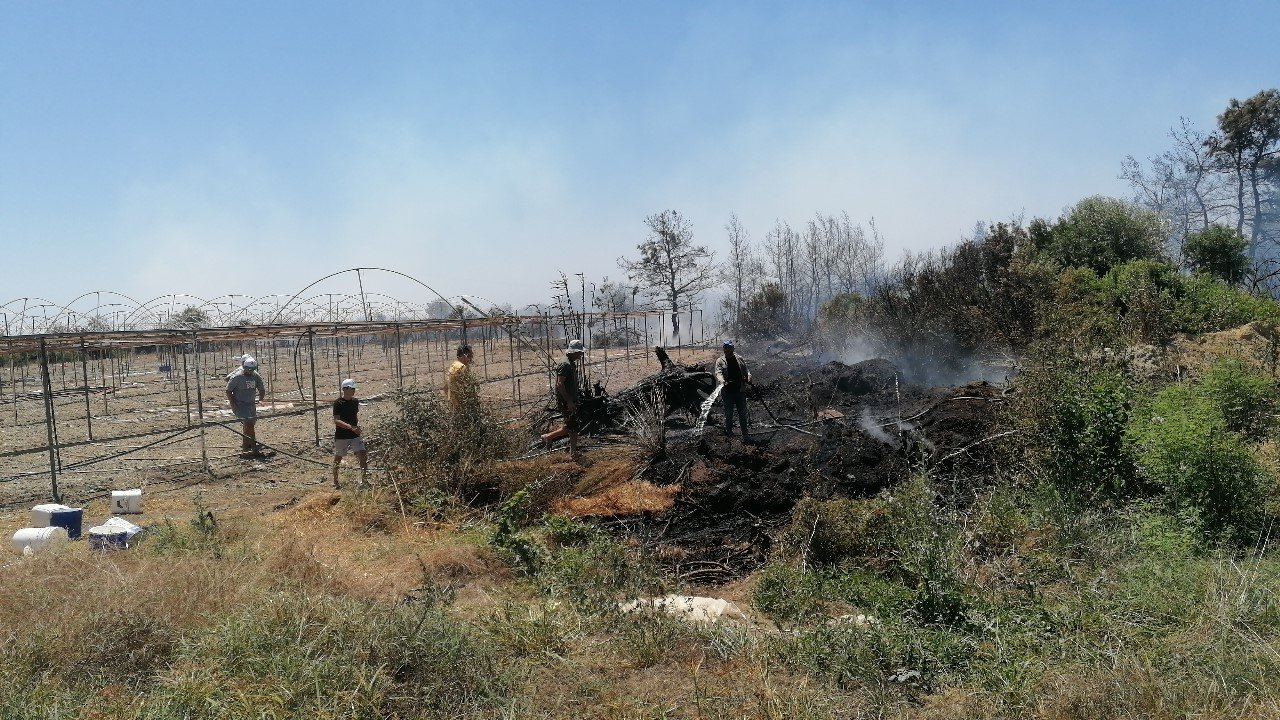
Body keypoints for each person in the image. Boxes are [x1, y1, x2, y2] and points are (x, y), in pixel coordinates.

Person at [540, 339, 585, 457]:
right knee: (573, 427)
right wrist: (569, 401)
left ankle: (548, 437)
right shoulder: (565, 364)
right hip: (566, 400)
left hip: (570, 399)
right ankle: (573, 453)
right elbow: (559, 384)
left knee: (570, 425)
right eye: (579, 352)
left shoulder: (570, 362)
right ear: (573, 352)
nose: (581, 354)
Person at [226, 357, 266, 455]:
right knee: (249, 424)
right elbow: (228, 390)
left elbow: (261, 389)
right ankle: (254, 447)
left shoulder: (255, 376)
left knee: (248, 426)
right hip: (240, 404)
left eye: (253, 370)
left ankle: (245, 448)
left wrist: (260, 399)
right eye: (249, 369)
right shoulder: (237, 377)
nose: (250, 372)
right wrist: (233, 403)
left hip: (251, 404)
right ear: (244, 367)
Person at [332, 378, 368, 489]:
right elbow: (336, 420)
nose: (354, 391)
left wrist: (356, 427)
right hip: (342, 435)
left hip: (354, 435)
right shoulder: (338, 403)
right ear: (345, 389)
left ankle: (364, 480)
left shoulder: (355, 402)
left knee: (362, 454)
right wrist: (350, 427)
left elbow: (354, 417)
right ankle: (336, 480)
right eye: (352, 388)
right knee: (338, 457)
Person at [714, 339, 751, 437]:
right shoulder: (720, 361)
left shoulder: (739, 359)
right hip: (728, 393)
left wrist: (748, 377)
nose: (727, 349)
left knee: (743, 414)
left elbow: (746, 370)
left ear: (733, 348)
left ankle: (745, 435)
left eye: (729, 347)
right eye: (725, 348)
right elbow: (718, 373)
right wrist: (722, 381)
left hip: (740, 391)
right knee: (728, 414)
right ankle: (729, 435)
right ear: (723, 349)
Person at [445, 344, 476, 408]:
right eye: (470, 356)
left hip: (452, 402)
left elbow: (445, 387)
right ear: (464, 355)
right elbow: (467, 388)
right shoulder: (462, 367)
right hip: (461, 403)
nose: (471, 358)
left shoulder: (454, 365)